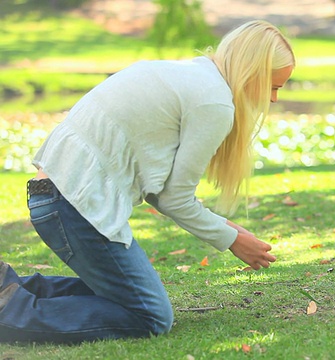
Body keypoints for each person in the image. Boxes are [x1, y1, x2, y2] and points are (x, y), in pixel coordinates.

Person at [0, 20, 294, 343]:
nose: (274, 99)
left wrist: (229, 229)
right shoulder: (215, 101)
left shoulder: (195, 77)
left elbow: (160, 191)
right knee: (151, 315)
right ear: (252, 72)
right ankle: (10, 315)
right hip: (74, 203)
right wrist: (231, 240)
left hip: (54, 196)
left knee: (133, 296)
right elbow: (173, 200)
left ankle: (10, 289)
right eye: (273, 86)